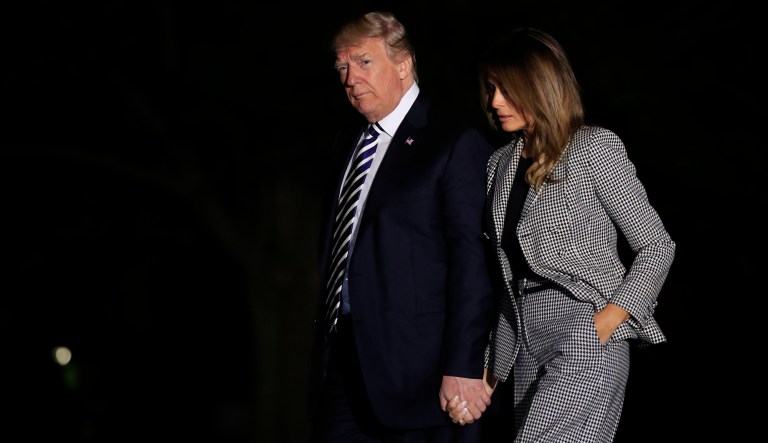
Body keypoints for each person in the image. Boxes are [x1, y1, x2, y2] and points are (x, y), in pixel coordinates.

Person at [446, 27, 676, 442]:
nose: (494, 101)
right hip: (524, 347)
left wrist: (606, 322)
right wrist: (488, 373)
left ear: (538, 86)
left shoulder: (593, 148)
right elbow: (507, 281)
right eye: (491, 89)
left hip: (583, 332)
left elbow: (657, 245)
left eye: (506, 89)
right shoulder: (499, 165)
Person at [307, 10, 497, 442]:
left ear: (404, 64)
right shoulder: (348, 142)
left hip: (424, 379)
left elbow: (472, 262)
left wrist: (463, 367)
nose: (350, 77)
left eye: (363, 61)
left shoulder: (452, 142)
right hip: (344, 368)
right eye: (341, 66)